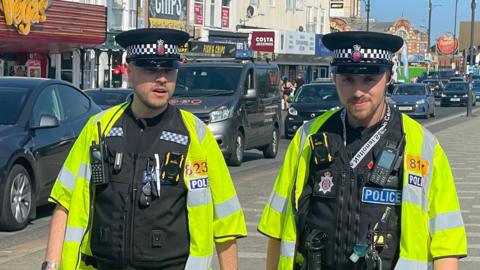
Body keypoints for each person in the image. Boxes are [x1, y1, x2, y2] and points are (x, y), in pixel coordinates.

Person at [258, 31, 467, 270]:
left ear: (388, 76)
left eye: (369, 79)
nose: (357, 91)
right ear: (335, 77)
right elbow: (277, 229)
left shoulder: (423, 146)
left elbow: (446, 245)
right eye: (348, 79)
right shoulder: (308, 137)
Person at [42, 28, 247, 270]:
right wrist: (51, 264)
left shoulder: (196, 136)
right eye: (150, 69)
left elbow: (225, 223)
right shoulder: (99, 128)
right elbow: (64, 203)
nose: (161, 78)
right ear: (129, 71)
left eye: (168, 69)